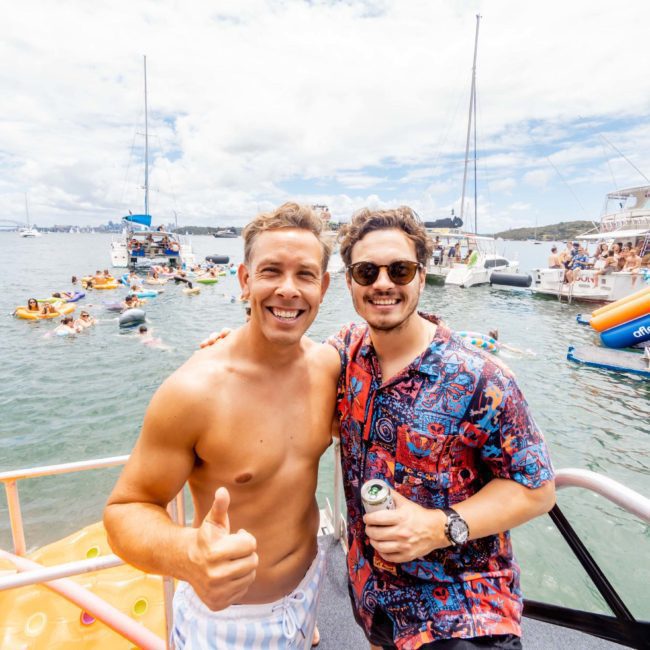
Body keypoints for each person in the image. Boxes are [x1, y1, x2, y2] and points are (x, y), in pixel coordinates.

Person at [104, 203, 337, 649]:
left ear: (323, 287)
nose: (288, 290)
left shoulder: (330, 366)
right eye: (271, 271)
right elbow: (124, 511)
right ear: (246, 280)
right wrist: (188, 554)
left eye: (305, 275)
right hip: (227, 621)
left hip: (310, 587)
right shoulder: (194, 392)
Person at [329, 207, 554, 649]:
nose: (383, 283)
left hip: (462, 616)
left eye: (400, 269)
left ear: (421, 275)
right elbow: (283, 360)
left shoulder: (482, 378)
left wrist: (437, 527)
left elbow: (537, 490)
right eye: (366, 271)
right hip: (375, 601)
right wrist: (232, 347)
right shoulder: (347, 352)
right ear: (349, 281)